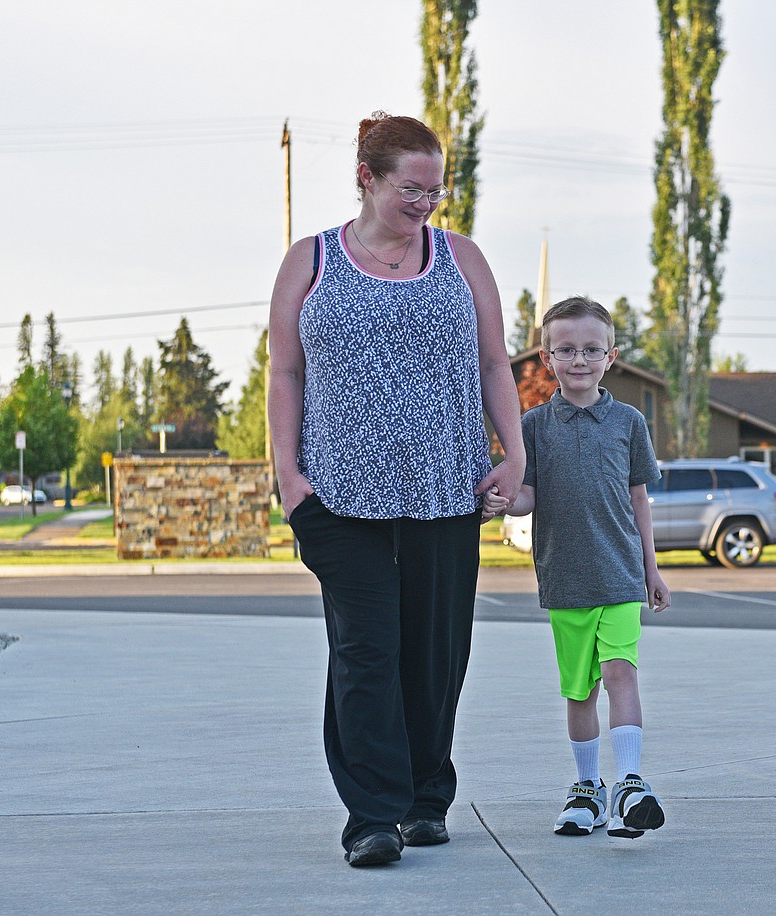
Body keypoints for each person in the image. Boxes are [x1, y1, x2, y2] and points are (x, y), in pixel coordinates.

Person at [268, 111, 525, 867]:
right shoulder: (311, 260)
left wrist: (514, 457)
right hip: (339, 497)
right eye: (411, 189)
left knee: (436, 655)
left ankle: (423, 797)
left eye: (436, 191)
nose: (424, 204)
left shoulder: (461, 258)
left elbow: (494, 366)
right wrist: (289, 478)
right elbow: (284, 372)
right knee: (365, 652)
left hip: (447, 491)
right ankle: (373, 817)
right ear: (367, 180)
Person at [483, 296, 671, 839]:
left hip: (620, 577)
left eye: (591, 349)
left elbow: (639, 500)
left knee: (620, 674)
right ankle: (588, 788)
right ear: (547, 358)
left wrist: (650, 569)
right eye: (567, 350)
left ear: (610, 356)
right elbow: (527, 497)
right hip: (564, 578)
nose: (580, 360)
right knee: (580, 690)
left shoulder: (629, 422)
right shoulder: (534, 426)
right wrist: (501, 499)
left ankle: (631, 783)